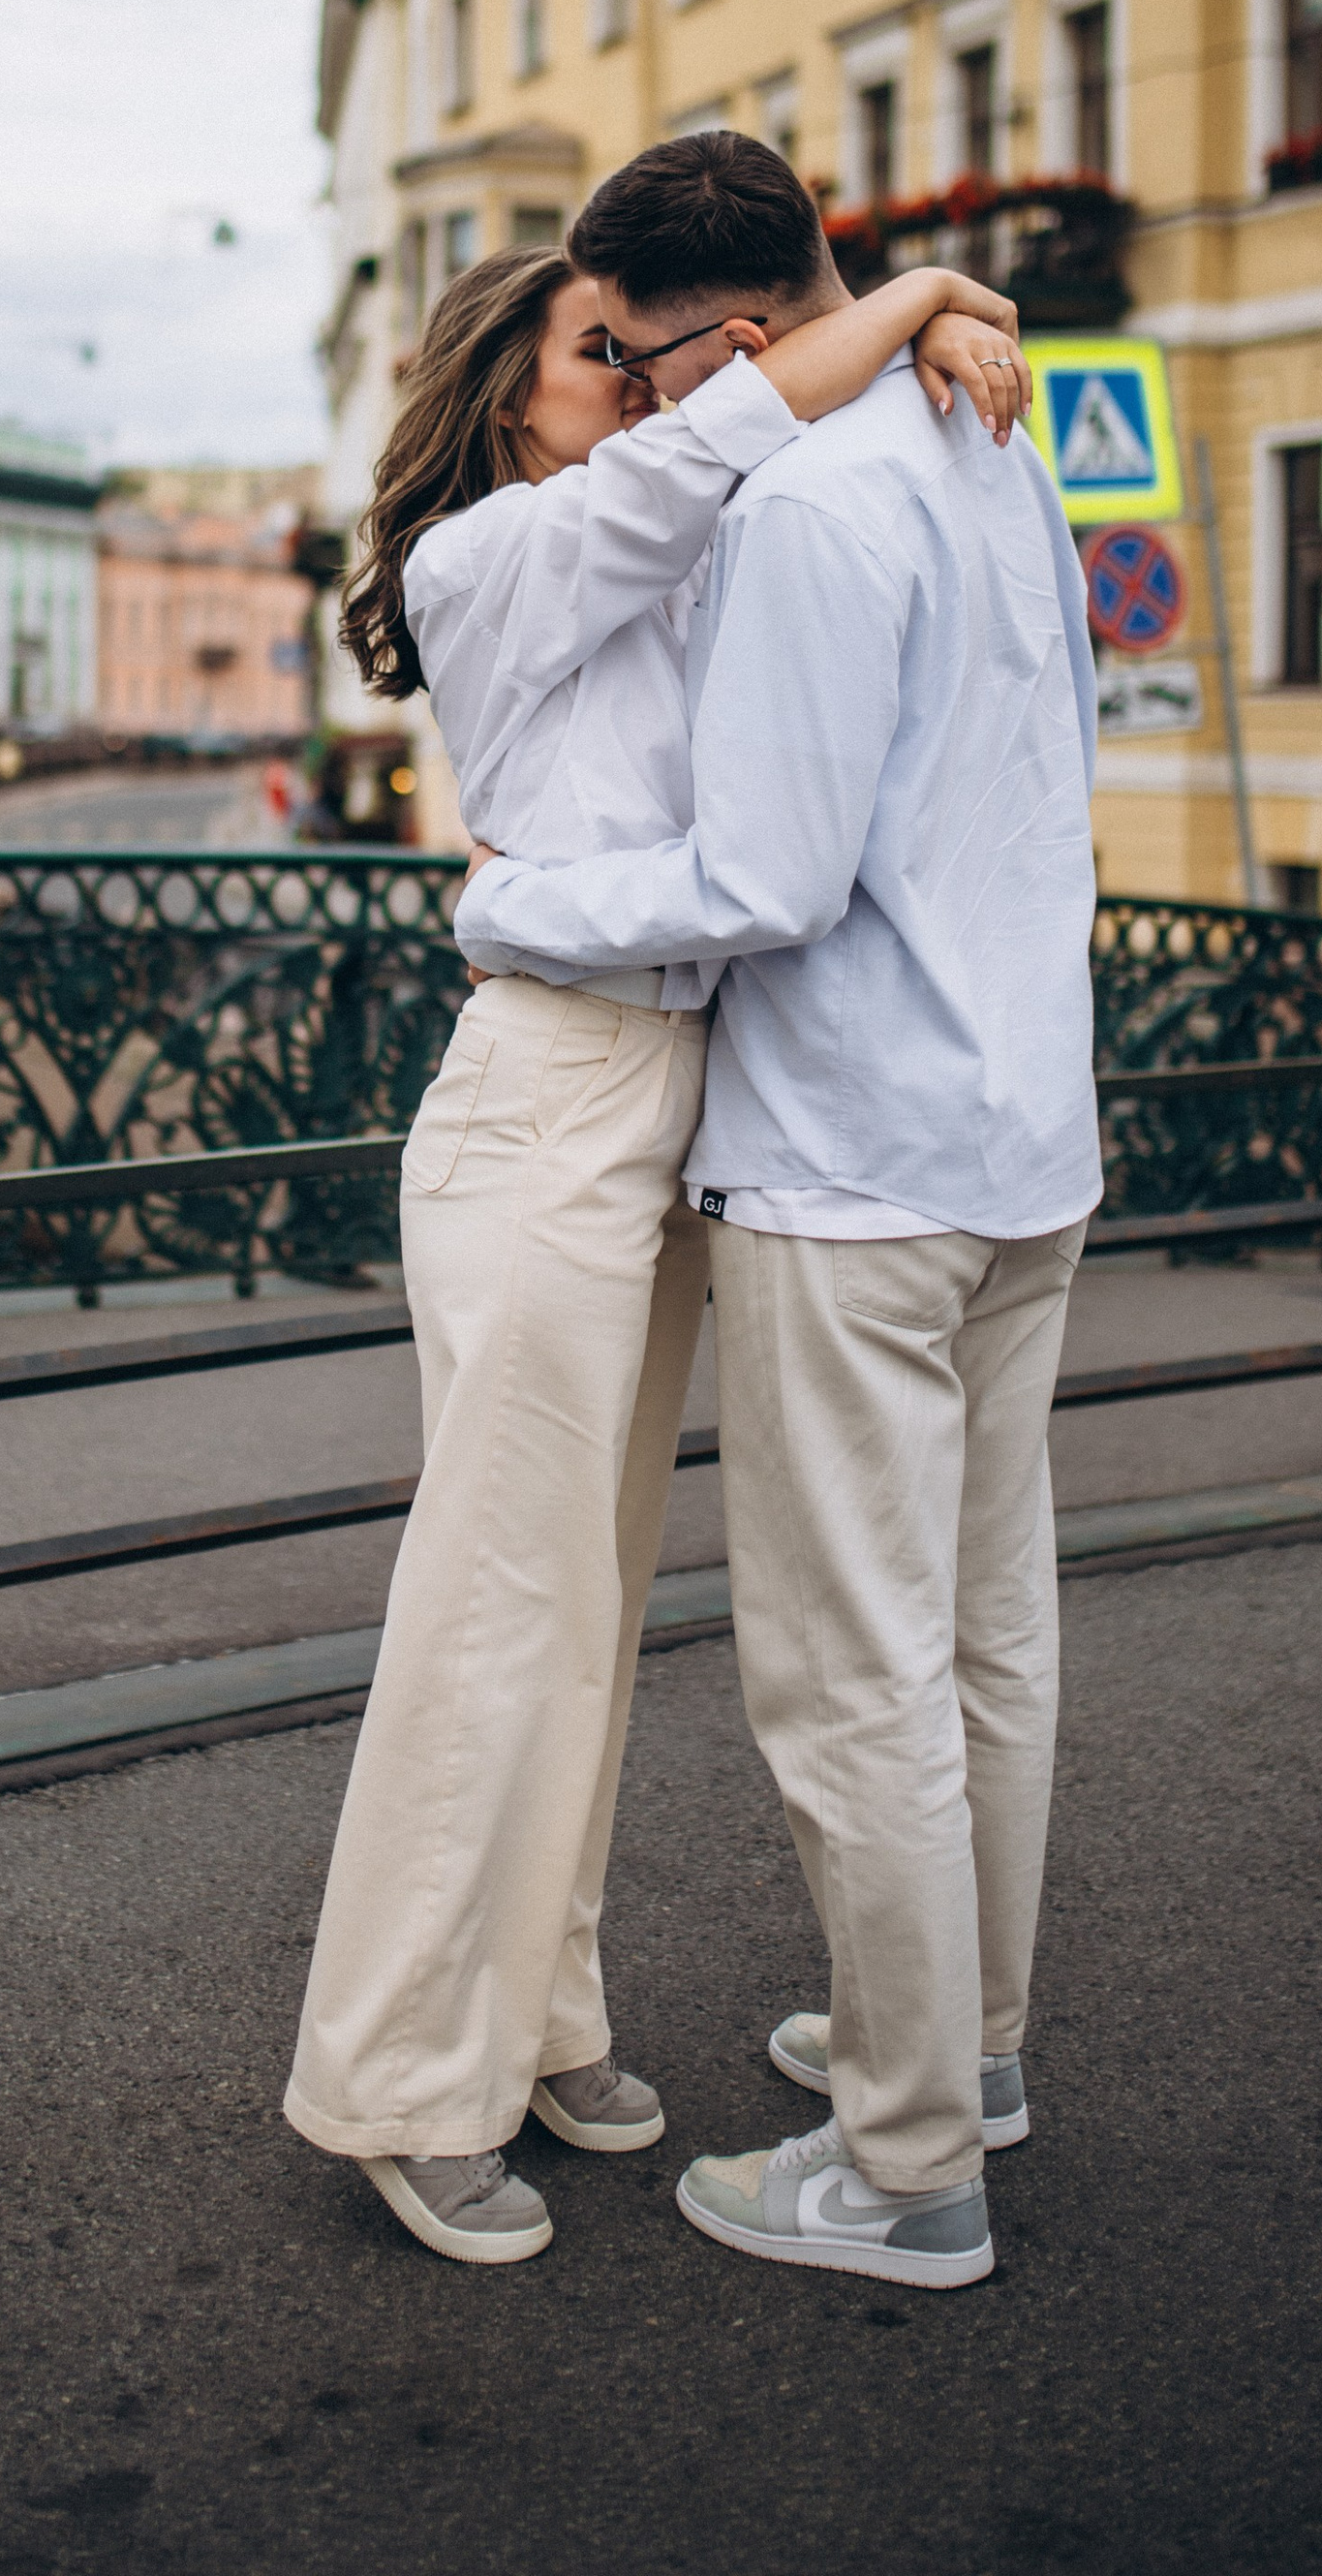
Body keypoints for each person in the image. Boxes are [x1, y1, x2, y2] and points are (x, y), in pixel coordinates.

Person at [283, 225, 1033, 2265]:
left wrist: (915, 351)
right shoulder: (487, 558)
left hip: (676, 1101)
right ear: (495, 383)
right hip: (543, 1097)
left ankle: (538, 2015)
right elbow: (717, 438)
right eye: (590, 347)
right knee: (495, 1603)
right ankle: (399, 2083)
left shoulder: (671, 539)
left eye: (634, 345)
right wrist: (920, 297)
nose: (630, 372)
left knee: (590, 1602)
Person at [456, 131, 1101, 2295]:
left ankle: (904, 2162)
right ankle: (967, 2047)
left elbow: (759, 884)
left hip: (851, 1167)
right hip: (1025, 1137)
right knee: (989, 1638)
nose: (638, 410)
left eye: (636, 368)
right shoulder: (988, 438)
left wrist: (511, 900)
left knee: (850, 1687)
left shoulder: (804, 507)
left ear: (727, 336)